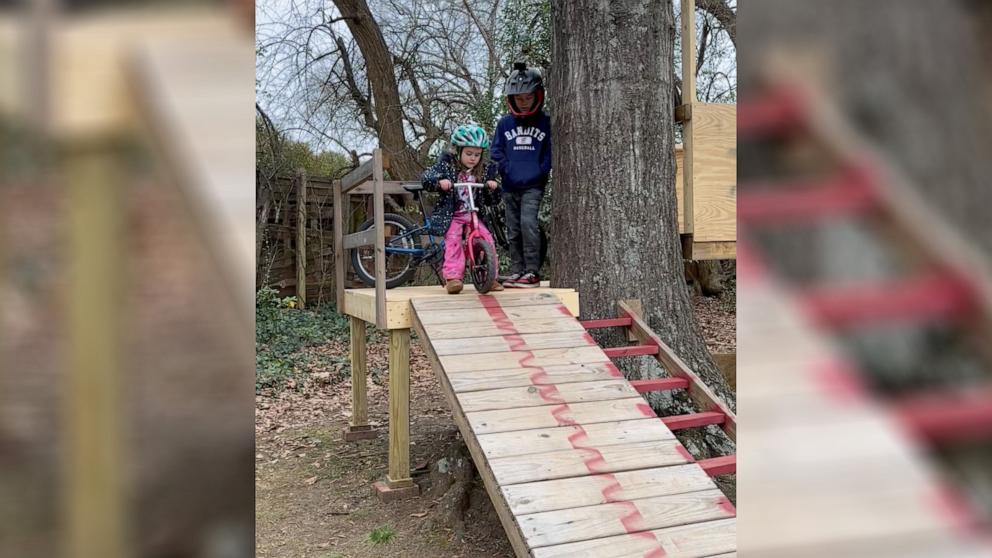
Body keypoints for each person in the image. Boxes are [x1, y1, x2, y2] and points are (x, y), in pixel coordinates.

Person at [422, 124, 503, 294]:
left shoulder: (485, 170)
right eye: (468, 154)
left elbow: (493, 200)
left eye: (477, 154)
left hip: (474, 213)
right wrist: (440, 183)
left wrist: (492, 186)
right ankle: (453, 278)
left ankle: (491, 277)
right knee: (453, 239)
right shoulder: (447, 166)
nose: (473, 158)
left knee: (487, 238)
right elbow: (427, 178)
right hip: (455, 213)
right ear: (458, 151)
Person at [490, 62, 551, 288]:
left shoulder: (546, 123)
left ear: (537, 96)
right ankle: (517, 270)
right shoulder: (505, 124)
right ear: (511, 99)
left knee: (528, 224)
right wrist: (506, 169)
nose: (523, 103)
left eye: (527, 97)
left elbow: (551, 153)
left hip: (533, 186)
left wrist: (539, 171)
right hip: (509, 186)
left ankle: (532, 271)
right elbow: (496, 151)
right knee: (513, 229)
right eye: (519, 98)